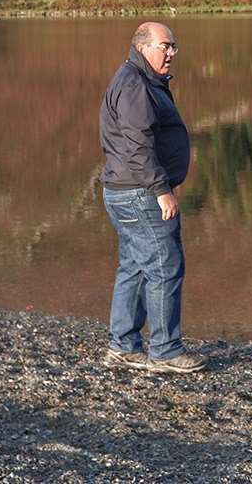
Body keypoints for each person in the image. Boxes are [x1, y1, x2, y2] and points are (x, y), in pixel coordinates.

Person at [97, 21, 204, 372]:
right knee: (164, 267)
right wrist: (161, 190)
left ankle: (123, 346)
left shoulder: (138, 80)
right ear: (143, 47)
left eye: (174, 46)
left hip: (125, 191)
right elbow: (137, 147)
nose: (172, 53)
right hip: (140, 193)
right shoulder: (134, 86)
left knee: (136, 267)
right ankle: (165, 351)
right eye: (165, 46)